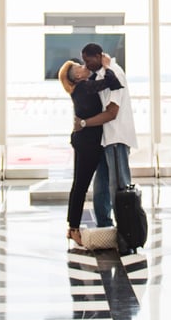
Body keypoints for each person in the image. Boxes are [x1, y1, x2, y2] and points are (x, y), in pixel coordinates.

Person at [58, 59, 123, 245]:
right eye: (79, 67)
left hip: (87, 141)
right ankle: (73, 228)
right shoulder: (84, 88)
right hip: (87, 143)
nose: (83, 66)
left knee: (80, 184)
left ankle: (73, 227)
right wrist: (107, 65)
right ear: (77, 76)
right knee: (80, 185)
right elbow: (111, 82)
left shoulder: (83, 88)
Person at [76, 44, 138, 227]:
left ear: (98, 56)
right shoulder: (101, 75)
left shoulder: (115, 73)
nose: (86, 65)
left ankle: (126, 230)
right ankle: (105, 226)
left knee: (119, 186)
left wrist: (84, 123)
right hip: (106, 139)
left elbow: (112, 113)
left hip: (116, 137)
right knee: (101, 185)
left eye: (88, 60)